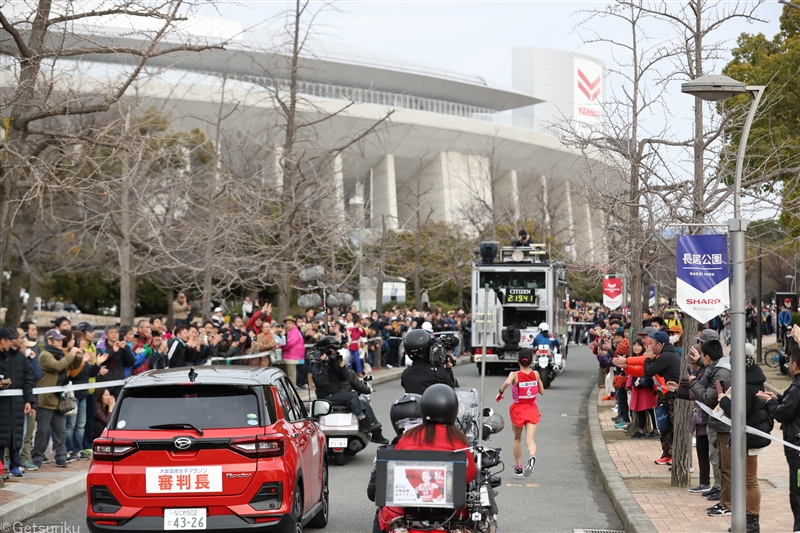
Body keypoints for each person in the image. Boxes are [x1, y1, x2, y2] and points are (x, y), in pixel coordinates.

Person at [376, 384, 476, 532]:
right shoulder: (458, 439)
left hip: (407, 510)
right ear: (453, 410)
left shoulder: (409, 436)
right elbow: (469, 474)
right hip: (449, 513)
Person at [718, 348, 771, 533]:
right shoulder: (753, 378)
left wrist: (724, 401)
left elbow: (738, 413)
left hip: (750, 437)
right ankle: (747, 518)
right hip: (750, 434)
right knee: (746, 479)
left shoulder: (746, 384)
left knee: (749, 480)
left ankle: (752, 520)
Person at [759, 325, 800, 533]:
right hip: (794, 445)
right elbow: (789, 403)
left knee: (798, 490)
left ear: (794, 364)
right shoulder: (796, 386)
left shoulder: (799, 385)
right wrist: (778, 399)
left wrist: (769, 403)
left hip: (797, 448)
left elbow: (784, 413)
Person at [310, 337, 388, 444]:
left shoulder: (334, 360)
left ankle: (376, 434)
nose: (336, 352)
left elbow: (346, 378)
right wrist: (324, 365)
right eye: (334, 350)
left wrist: (342, 367)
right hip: (326, 397)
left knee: (366, 404)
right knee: (352, 396)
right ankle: (364, 422)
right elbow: (320, 382)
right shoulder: (316, 364)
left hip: (337, 394)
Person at [31, 329, 83, 468]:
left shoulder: (61, 354)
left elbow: (72, 365)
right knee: (42, 431)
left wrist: (78, 357)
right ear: (49, 341)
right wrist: (71, 355)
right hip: (45, 400)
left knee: (61, 431)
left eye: (61, 340)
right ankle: (37, 456)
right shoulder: (45, 355)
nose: (61, 342)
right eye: (58, 340)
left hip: (58, 401)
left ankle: (61, 456)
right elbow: (57, 366)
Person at [496, 348, 542, 477]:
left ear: (518, 362)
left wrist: (500, 392)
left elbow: (506, 383)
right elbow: (542, 391)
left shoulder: (514, 374)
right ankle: (532, 457)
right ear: (532, 362)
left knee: (517, 438)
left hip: (518, 410)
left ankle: (519, 467)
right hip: (532, 409)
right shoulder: (536, 374)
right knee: (530, 440)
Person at [0, 327, 36, 478]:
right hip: (3, 404)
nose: (22, 340)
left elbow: (29, 379)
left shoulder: (22, 358)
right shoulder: (2, 356)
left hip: (18, 403)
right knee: (2, 437)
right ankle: (3, 467)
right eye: (21, 337)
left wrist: (29, 400)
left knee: (17, 435)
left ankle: (16, 465)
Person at [400, 330, 456, 395]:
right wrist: (448, 368)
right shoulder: (439, 372)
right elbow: (451, 389)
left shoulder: (406, 374)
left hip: (414, 404)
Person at [626, 339, 659, 439]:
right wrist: (628, 386)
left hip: (647, 387)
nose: (636, 347)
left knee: (651, 408)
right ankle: (641, 429)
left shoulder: (647, 357)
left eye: (638, 345)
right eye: (634, 345)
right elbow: (630, 374)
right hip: (637, 387)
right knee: (639, 408)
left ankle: (655, 429)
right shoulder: (632, 358)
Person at [281, 316, 305, 386]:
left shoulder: (294, 332)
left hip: (291, 356)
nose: (288, 325)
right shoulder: (293, 331)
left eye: (290, 323)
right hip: (293, 356)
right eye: (287, 323)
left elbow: (289, 343)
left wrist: (280, 346)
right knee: (291, 373)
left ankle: (292, 390)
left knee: (291, 374)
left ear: (294, 324)